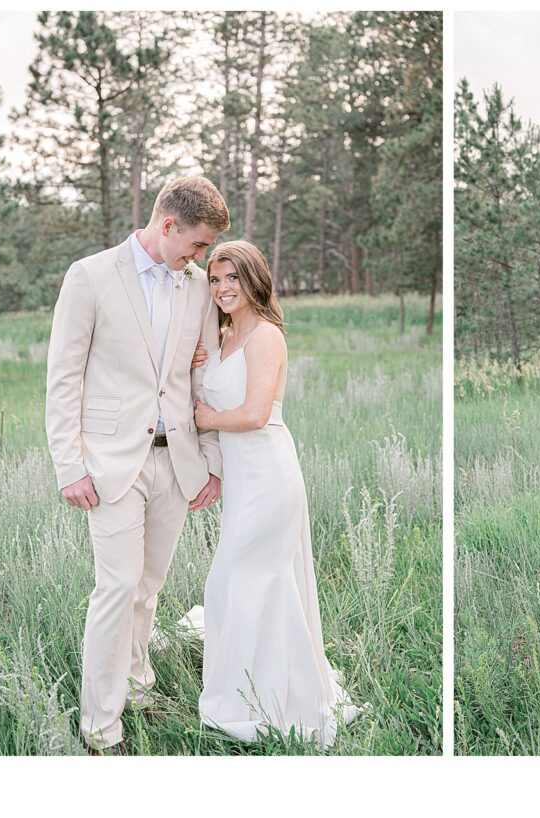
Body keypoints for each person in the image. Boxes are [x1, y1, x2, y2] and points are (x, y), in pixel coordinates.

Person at [45, 175, 230, 752]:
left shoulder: (197, 287)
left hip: (176, 461)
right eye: (196, 245)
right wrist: (68, 464)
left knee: (148, 586)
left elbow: (201, 377)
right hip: (108, 463)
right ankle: (100, 727)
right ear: (166, 224)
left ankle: (136, 685)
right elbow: (64, 376)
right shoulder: (91, 275)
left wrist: (212, 459)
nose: (201, 258)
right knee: (117, 586)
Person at [192, 240, 359, 747]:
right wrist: (199, 367)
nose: (222, 288)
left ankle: (277, 698)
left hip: (268, 471)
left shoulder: (266, 337)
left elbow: (254, 413)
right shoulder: (221, 335)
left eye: (232, 278)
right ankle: (251, 688)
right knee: (240, 582)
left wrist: (206, 418)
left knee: (246, 579)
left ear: (253, 280)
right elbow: (212, 389)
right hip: (241, 476)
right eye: (215, 279)